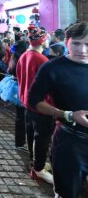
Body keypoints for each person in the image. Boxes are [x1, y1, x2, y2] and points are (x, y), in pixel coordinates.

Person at [28, 21, 88, 198]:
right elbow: (34, 101)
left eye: (87, 44)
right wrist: (68, 115)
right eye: (77, 43)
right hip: (70, 142)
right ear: (66, 41)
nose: (82, 50)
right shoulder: (53, 68)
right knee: (66, 193)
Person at [16, 24, 53, 184]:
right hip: (40, 106)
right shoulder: (42, 60)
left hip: (26, 103)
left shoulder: (24, 55)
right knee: (42, 137)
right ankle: (39, 168)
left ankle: (35, 162)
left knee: (31, 134)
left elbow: (18, 76)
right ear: (42, 41)